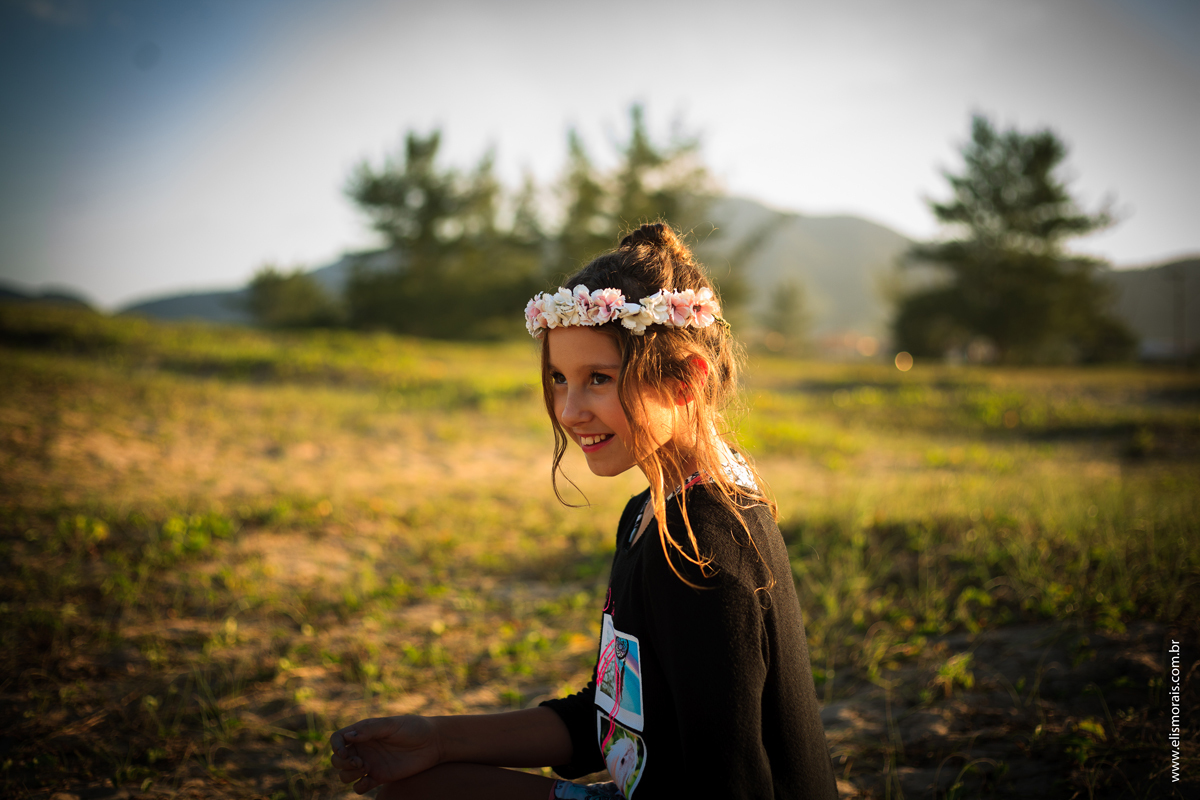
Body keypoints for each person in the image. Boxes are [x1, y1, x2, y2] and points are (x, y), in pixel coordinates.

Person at [330, 223, 838, 799]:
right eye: (558, 379)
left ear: (685, 382)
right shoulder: (651, 512)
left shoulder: (699, 550)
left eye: (598, 379)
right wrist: (439, 740)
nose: (570, 411)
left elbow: (733, 782)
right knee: (425, 784)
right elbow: (616, 720)